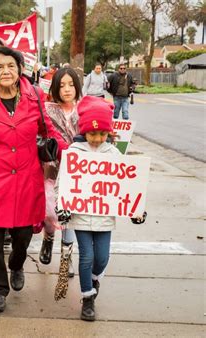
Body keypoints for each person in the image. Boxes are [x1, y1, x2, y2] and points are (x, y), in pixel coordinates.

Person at [0, 46, 68, 313]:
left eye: (10, 65)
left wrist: (73, 150)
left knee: (23, 234)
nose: (5, 71)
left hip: (26, 177)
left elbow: (48, 130)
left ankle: (18, 264)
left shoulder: (35, 97)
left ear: (20, 69)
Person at [59, 95, 146, 321]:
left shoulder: (114, 154)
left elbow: (126, 185)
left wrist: (137, 209)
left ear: (108, 133)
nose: (97, 138)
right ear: (84, 131)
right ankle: (87, 298)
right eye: (92, 133)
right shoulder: (75, 152)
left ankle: (94, 279)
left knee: (102, 258)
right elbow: (64, 182)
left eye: (102, 133)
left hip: (104, 216)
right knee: (86, 256)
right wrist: (64, 205)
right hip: (80, 215)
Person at [40, 67, 83, 280]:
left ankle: (66, 259)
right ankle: (48, 238)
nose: (67, 89)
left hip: (77, 173)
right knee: (49, 213)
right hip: (51, 169)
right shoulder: (46, 110)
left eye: (71, 84)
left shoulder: (85, 110)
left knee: (69, 216)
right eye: (62, 85)